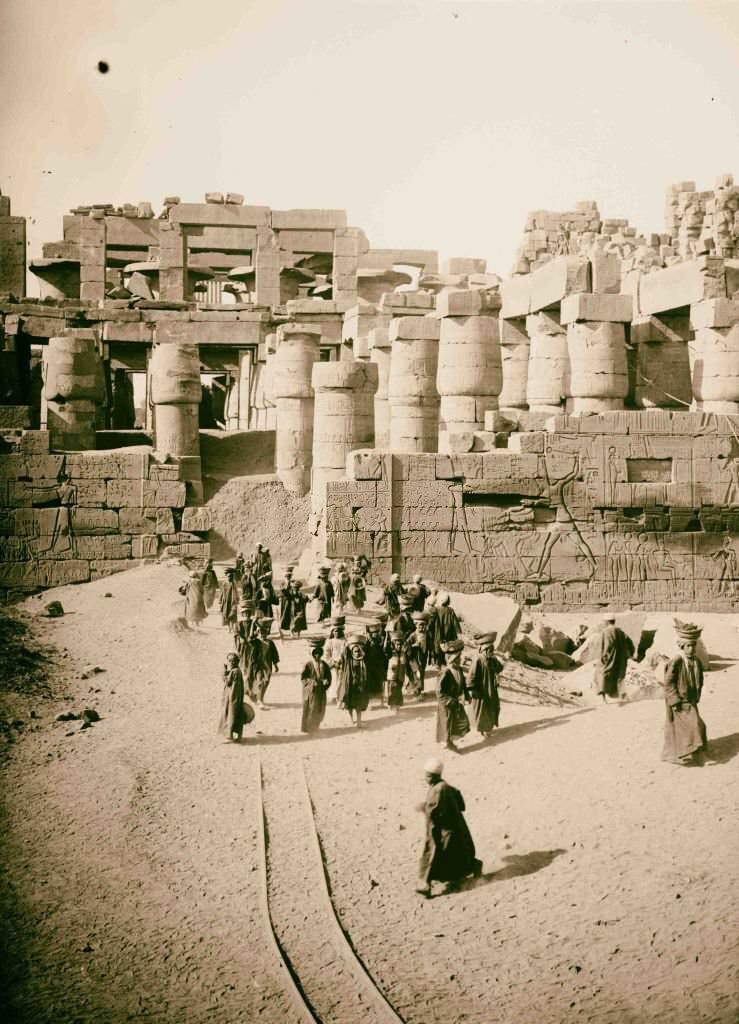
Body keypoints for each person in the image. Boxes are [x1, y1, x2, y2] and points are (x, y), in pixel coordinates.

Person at [417, 758, 482, 898]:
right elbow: (461, 804)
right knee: (455, 855)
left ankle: (426, 884)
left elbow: (434, 811)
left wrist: (424, 807)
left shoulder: (439, 789)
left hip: (444, 830)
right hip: (452, 827)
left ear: (434, 776)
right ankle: (474, 865)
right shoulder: (445, 786)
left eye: (427, 776)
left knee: (434, 855)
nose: (425, 778)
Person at [661, 625, 708, 765]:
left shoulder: (696, 661)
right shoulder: (677, 660)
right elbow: (668, 682)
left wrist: (697, 695)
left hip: (690, 699)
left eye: (693, 646)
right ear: (682, 646)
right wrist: (674, 701)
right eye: (688, 646)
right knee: (695, 725)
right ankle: (698, 756)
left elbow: (699, 679)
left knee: (692, 726)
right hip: (680, 700)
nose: (691, 649)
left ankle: (678, 754)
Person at [436, 639, 470, 751]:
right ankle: (448, 742)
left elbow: (463, 683)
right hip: (447, 703)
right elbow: (439, 691)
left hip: (456, 701)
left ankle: (449, 741)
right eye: (457, 658)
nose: (459, 660)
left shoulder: (458, 669)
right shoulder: (445, 672)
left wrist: (467, 695)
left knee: (460, 721)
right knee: (447, 722)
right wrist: (448, 701)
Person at [466, 633, 502, 738]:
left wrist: (499, 662)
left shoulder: (492, 659)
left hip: (491, 688)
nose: (492, 651)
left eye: (493, 649)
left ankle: (488, 727)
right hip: (481, 689)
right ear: (485, 649)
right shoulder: (478, 659)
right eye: (490, 650)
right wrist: (472, 689)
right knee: (483, 709)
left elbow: (498, 669)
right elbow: (471, 675)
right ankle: (484, 729)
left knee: (492, 706)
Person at [594, 614, 634, 703]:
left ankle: (603, 698)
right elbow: (630, 642)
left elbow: (605, 646)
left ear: (607, 622)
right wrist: (630, 654)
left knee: (600, 674)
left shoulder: (606, 631)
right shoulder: (620, 631)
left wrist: (603, 657)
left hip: (610, 658)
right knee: (619, 677)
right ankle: (622, 696)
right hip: (620, 659)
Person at [218, 652, 254, 743]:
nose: (231, 662)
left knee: (231, 716)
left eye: (233, 661)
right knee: (236, 715)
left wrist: (224, 671)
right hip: (234, 698)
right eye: (230, 660)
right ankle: (238, 736)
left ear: (236, 662)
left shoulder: (235, 672)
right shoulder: (237, 671)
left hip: (232, 698)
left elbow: (227, 682)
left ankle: (230, 736)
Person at [337, 633, 370, 727]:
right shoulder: (348, 660)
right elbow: (344, 652)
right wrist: (347, 643)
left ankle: (359, 721)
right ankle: (351, 719)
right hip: (350, 685)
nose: (357, 653)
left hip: (360, 685)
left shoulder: (364, 660)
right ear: (352, 652)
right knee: (349, 705)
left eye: (358, 651)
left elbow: (368, 650)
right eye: (355, 651)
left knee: (359, 705)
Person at [300, 636, 332, 734]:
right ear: (312, 654)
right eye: (315, 653)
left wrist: (327, 681)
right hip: (311, 692)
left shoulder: (324, 664)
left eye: (319, 653)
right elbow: (303, 678)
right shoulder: (308, 665)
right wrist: (312, 682)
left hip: (321, 691)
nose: (317, 655)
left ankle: (316, 726)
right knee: (311, 708)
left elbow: (328, 676)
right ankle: (310, 728)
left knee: (320, 708)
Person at [252, 617, 280, 708]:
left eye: (264, 633)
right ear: (258, 633)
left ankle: (260, 697)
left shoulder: (270, 643)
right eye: (260, 633)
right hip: (258, 665)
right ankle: (260, 700)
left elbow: (274, 655)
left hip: (267, 665)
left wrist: (276, 665)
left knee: (266, 681)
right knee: (260, 682)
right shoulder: (256, 642)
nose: (262, 635)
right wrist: (253, 624)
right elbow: (249, 639)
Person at [404, 611, 430, 697]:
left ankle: (418, 689)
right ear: (416, 625)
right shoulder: (413, 635)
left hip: (423, 657)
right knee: (416, 673)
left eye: (423, 625)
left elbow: (429, 645)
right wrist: (414, 645)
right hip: (414, 658)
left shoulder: (427, 634)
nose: (421, 627)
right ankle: (417, 691)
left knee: (421, 673)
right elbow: (406, 646)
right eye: (419, 625)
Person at [365, 618, 389, 703]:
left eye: (376, 632)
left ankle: (381, 699)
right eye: (373, 633)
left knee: (380, 681)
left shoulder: (382, 640)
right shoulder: (367, 642)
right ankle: (371, 699)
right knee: (371, 682)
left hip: (380, 664)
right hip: (370, 665)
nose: (375, 634)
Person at [323, 616, 347, 699]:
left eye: (338, 631)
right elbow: (326, 654)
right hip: (333, 665)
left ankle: (342, 696)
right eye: (335, 631)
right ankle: (333, 696)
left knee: (342, 681)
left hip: (343, 664)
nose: (336, 633)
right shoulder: (329, 642)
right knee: (334, 680)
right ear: (332, 632)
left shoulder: (345, 641)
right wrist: (333, 662)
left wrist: (342, 661)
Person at [385, 630, 408, 711]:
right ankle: (392, 706)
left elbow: (405, 663)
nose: (399, 646)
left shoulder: (403, 653)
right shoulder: (390, 652)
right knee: (392, 691)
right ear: (393, 645)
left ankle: (397, 706)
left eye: (400, 644)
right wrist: (387, 635)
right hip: (392, 676)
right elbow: (385, 648)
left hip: (400, 675)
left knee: (398, 690)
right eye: (397, 644)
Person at [219, 566, 241, 632]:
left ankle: (233, 628)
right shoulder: (224, 583)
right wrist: (220, 600)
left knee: (232, 615)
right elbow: (222, 592)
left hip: (232, 602)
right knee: (226, 615)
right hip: (225, 602)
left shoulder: (233, 584)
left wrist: (237, 599)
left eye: (230, 577)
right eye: (228, 576)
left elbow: (236, 593)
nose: (229, 578)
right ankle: (229, 628)